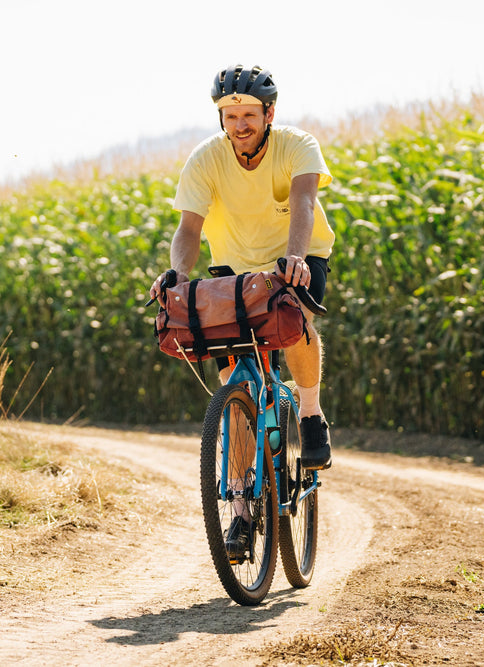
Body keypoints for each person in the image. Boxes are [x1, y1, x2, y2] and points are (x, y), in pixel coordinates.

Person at [148, 64, 335, 558]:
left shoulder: (298, 145)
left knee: (295, 322)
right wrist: (180, 275)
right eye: (230, 115)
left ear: (269, 113)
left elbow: (304, 200)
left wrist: (295, 257)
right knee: (235, 378)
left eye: (249, 114)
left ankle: (311, 414)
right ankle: (240, 513)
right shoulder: (206, 159)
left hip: (295, 256)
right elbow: (189, 228)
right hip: (232, 267)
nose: (239, 124)